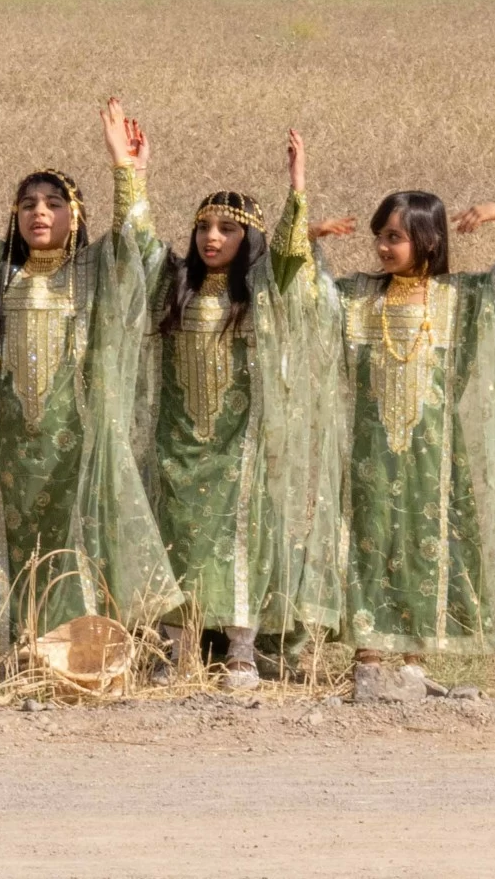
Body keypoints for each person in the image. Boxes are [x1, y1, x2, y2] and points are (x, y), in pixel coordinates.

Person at [0, 92, 178, 648]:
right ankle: (31, 647)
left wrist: (124, 168)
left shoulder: (94, 269)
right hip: (13, 444)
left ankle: (92, 646)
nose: (39, 212)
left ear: (75, 215)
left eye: (53, 203)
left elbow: (138, 243)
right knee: (24, 547)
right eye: (27, 204)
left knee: (83, 542)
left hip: (79, 443)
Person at [137, 130, 348, 690]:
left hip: (243, 444)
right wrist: (132, 173)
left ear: (247, 238)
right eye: (204, 227)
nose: (211, 238)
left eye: (227, 229)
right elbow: (136, 241)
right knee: (178, 539)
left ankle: (241, 653)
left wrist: (296, 191)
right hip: (177, 443)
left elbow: (287, 257)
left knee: (241, 540)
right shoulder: (172, 285)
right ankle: (175, 651)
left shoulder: (260, 290)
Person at [316, 188, 495, 703]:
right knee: (367, 542)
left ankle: (415, 662)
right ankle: (367, 661)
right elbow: (303, 293)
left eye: (394, 237)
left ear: (428, 239)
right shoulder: (356, 296)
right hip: (367, 453)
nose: (382, 248)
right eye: (379, 236)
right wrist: (308, 236)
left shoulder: (458, 296)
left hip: (434, 456)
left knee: (426, 546)